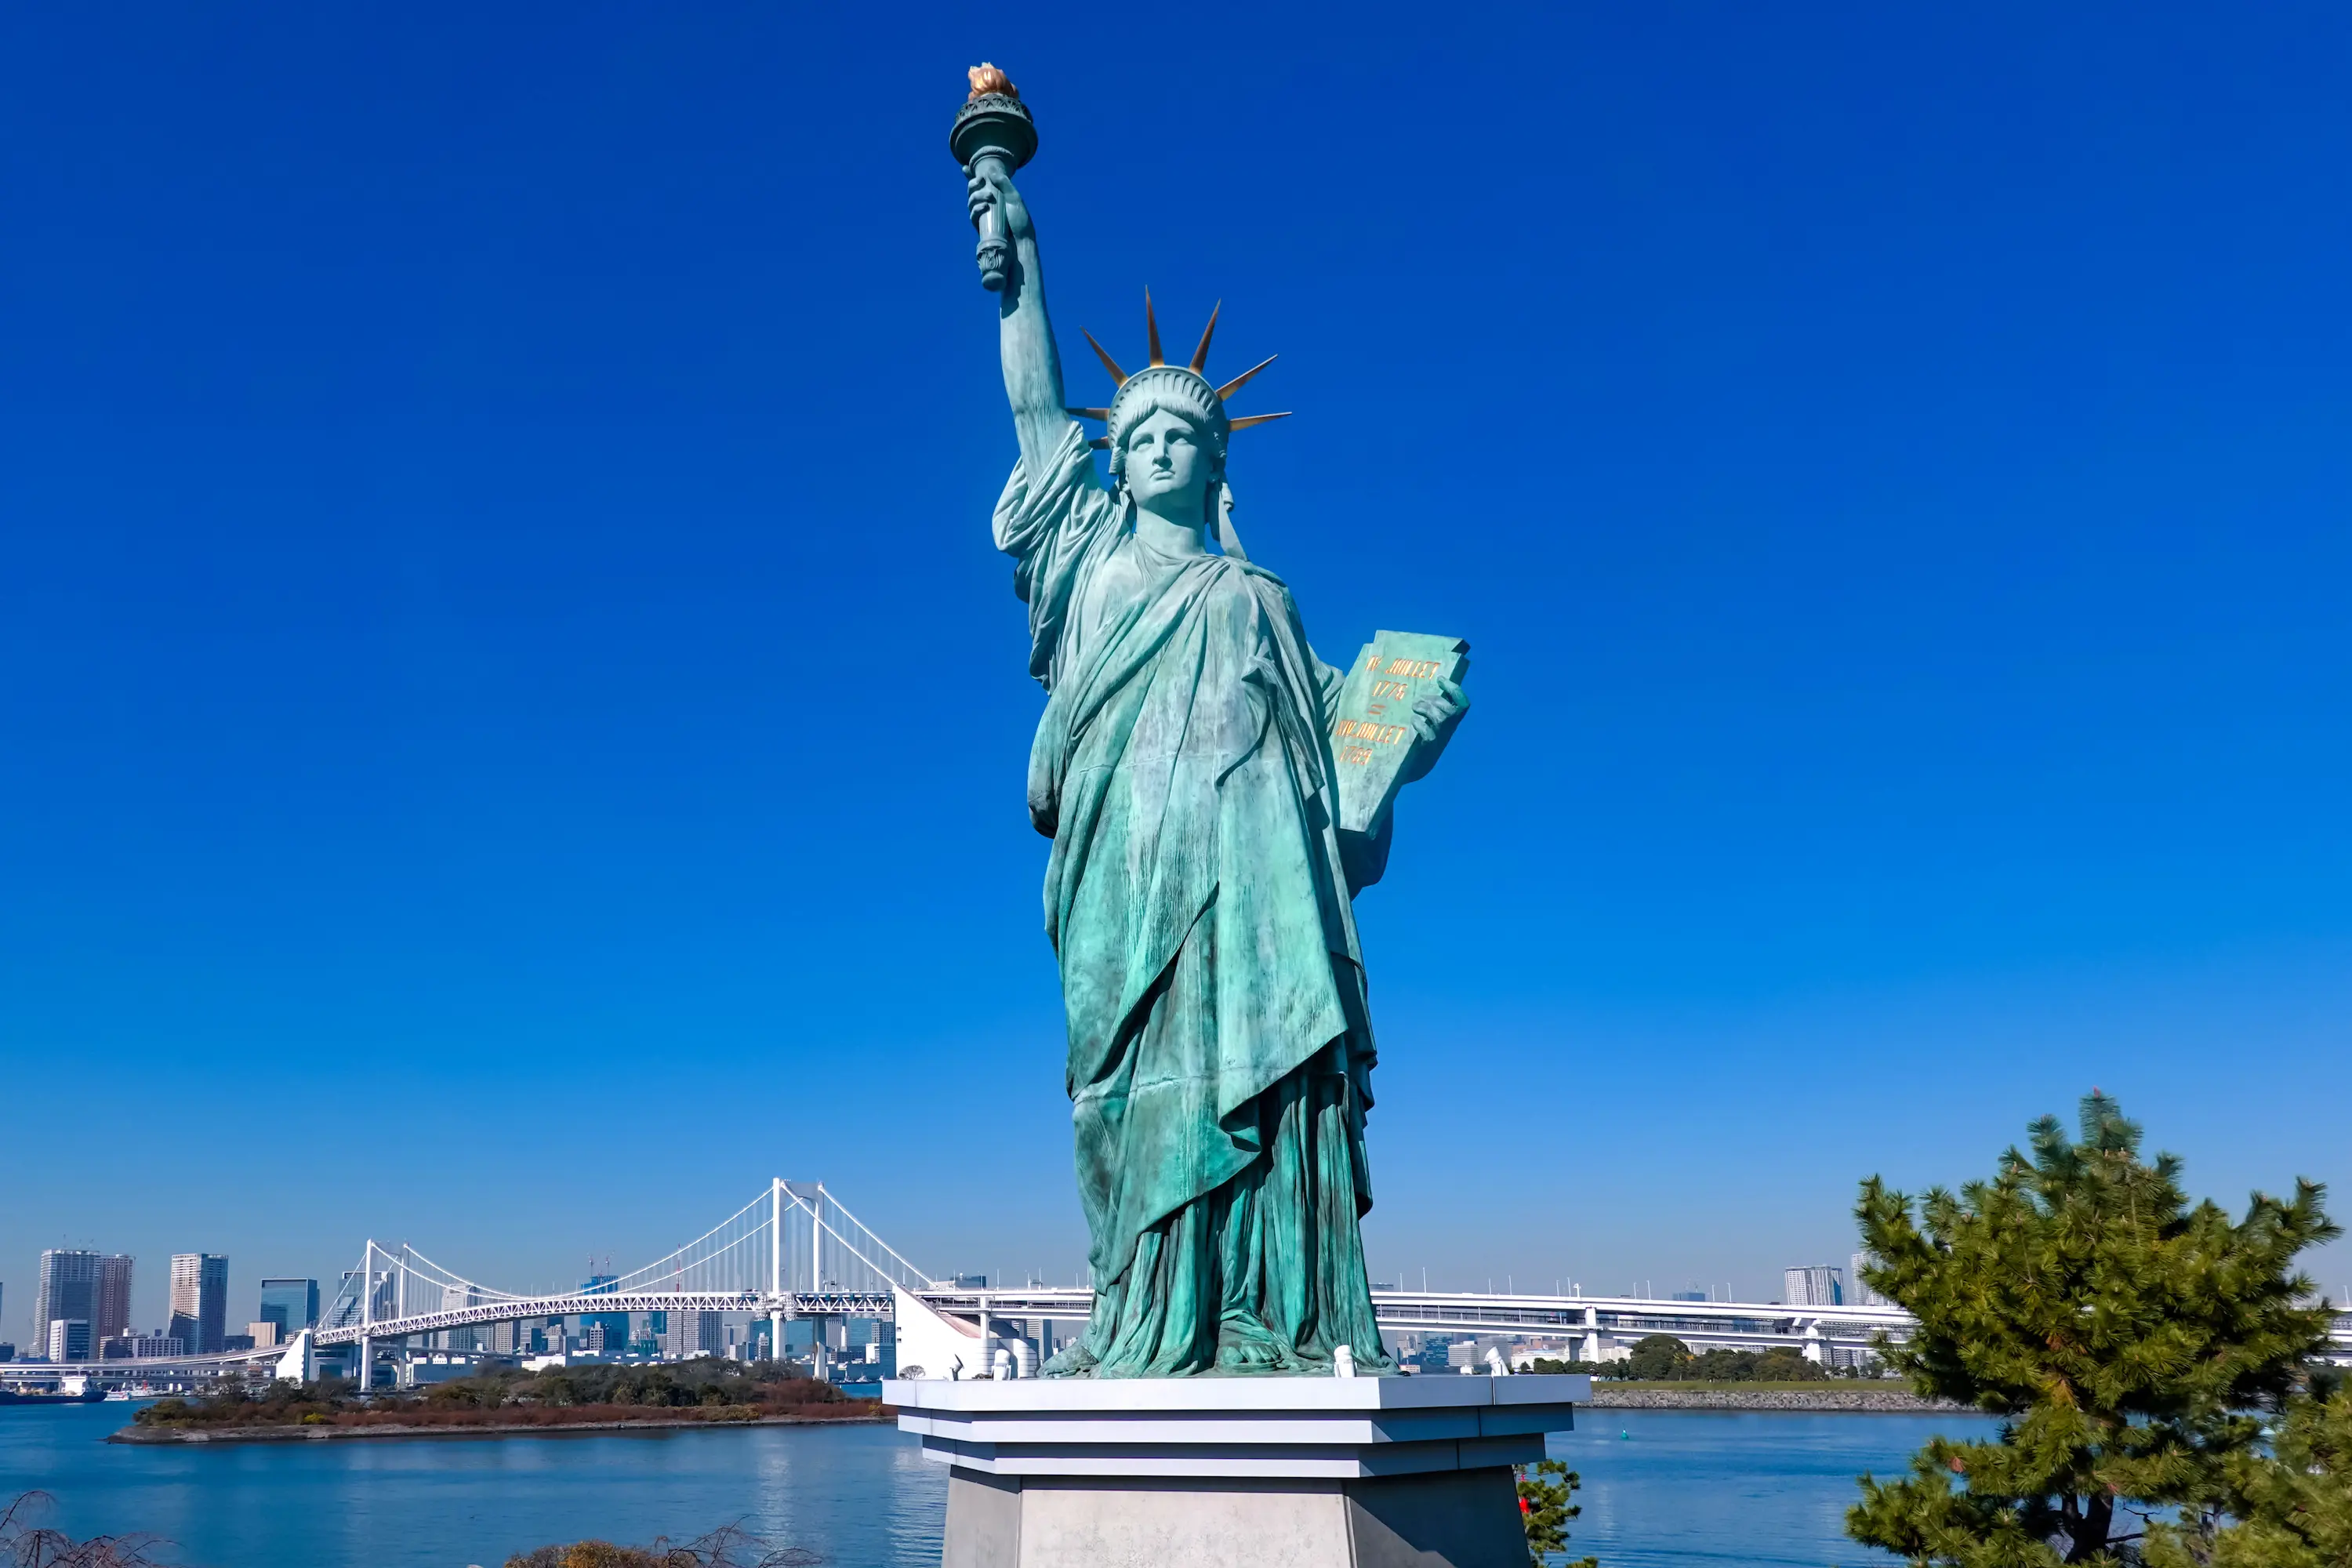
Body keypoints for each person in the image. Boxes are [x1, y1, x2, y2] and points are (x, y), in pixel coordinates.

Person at [967, 157, 1467, 1377]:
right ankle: (1145, 1313)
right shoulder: (1081, 563)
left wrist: (1414, 738)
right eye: (1134, 435)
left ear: (1216, 461)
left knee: (1269, 1071)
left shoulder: (1262, 597)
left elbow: (1336, 771)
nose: (1154, 450)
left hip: (1254, 872)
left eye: (1181, 434)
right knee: (1127, 1089)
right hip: (1123, 862)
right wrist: (1015, 259)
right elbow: (1039, 416)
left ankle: (1272, 1313)